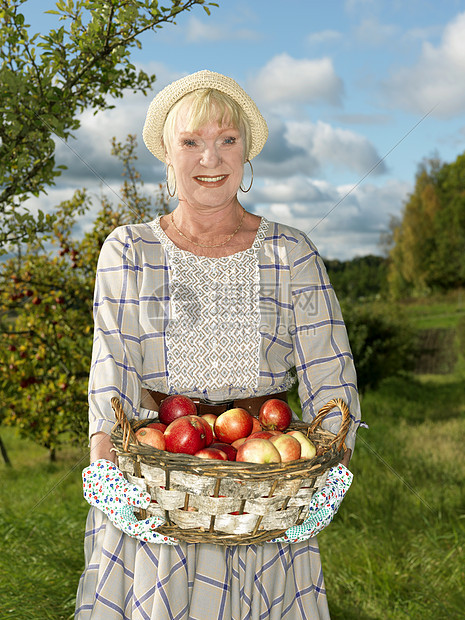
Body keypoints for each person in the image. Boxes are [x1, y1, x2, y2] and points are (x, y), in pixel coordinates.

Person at [75, 70, 361, 619]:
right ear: (167, 154)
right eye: (192, 142)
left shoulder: (291, 254)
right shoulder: (128, 250)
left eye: (227, 141)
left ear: (246, 155)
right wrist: (107, 468)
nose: (211, 158)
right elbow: (110, 367)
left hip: (265, 495)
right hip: (161, 492)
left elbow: (332, 375)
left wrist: (324, 471)